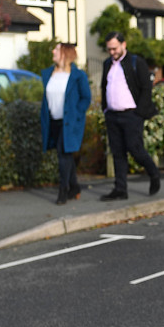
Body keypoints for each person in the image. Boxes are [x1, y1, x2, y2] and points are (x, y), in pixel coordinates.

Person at [98, 31, 160, 200]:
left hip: (132, 115)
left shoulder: (136, 62)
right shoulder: (107, 64)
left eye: (115, 48)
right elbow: (104, 87)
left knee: (136, 150)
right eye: (109, 49)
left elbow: (146, 89)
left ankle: (154, 173)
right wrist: (105, 109)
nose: (112, 52)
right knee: (117, 153)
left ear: (123, 44)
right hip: (112, 115)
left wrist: (139, 112)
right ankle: (120, 189)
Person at [40, 42, 91, 205]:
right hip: (53, 120)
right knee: (65, 154)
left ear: (65, 54)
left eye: (56, 49)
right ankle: (75, 186)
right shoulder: (49, 74)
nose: (53, 51)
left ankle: (63, 190)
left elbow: (86, 98)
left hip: (69, 122)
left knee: (63, 154)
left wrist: (76, 113)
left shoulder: (78, 75)